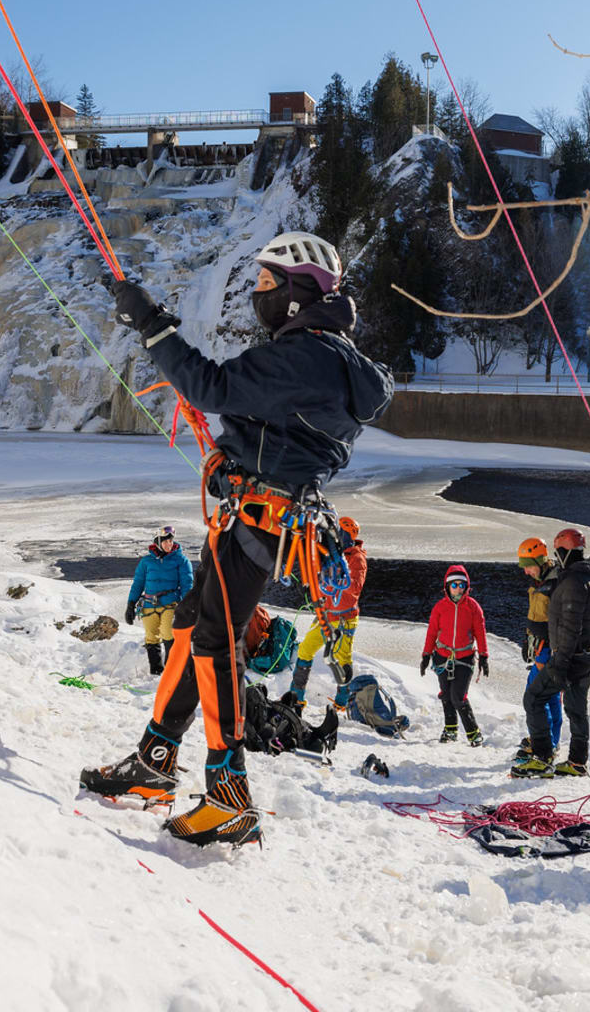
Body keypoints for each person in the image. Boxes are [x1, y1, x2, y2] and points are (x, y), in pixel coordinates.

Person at [80, 230, 393, 847]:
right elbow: (278, 433)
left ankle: (228, 792)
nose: (258, 294)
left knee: (216, 644)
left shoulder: (305, 355)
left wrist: (151, 322)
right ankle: (154, 758)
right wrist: (237, 457)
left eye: (268, 284)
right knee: (195, 628)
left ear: (300, 293)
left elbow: (209, 387)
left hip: (256, 522)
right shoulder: (329, 360)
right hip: (262, 515)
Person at [513, 527, 590, 779]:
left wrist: (558, 663)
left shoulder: (572, 581)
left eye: (559, 551)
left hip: (569, 658)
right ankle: (576, 762)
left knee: (534, 698)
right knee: (575, 708)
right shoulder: (589, 578)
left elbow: (570, 626)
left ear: (564, 552)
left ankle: (543, 757)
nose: (557, 556)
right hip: (584, 654)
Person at [283, 514, 367, 712]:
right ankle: (296, 696)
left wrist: (337, 578)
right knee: (305, 650)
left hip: (345, 619)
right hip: (327, 616)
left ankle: (343, 702)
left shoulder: (357, 558)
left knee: (342, 658)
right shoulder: (330, 554)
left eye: (339, 533)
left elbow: (355, 587)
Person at [420, 564, 488, 746]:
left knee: (458, 696)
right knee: (446, 694)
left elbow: (480, 632)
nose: (458, 588)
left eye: (461, 585)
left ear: (466, 586)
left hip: (464, 658)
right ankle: (450, 730)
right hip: (442, 657)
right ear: (447, 586)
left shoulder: (473, 607)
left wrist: (484, 656)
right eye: (454, 584)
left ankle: (474, 733)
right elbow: (432, 632)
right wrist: (426, 655)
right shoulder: (440, 607)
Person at [511, 536, 562, 764]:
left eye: (529, 566)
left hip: (550, 650)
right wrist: (528, 639)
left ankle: (545, 746)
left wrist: (548, 650)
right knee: (547, 695)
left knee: (537, 694)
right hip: (540, 646)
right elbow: (536, 616)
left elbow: (557, 622)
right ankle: (549, 742)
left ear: (541, 561)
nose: (526, 572)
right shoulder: (540, 581)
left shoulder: (555, 584)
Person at [126, 526, 194, 676]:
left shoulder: (181, 561)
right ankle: (156, 671)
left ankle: (171, 671)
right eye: (166, 541)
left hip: (170, 604)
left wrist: (186, 607)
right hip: (149, 605)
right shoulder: (146, 562)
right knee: (151, 636)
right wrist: (130, 604)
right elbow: (138, 583)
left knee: (168, 633)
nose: (169, 544)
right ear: (158, 541)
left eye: (171, 541)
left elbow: (187, 585)